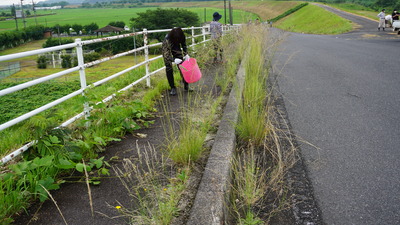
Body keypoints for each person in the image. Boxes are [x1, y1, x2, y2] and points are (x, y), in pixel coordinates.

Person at [162, 27, 190, 96]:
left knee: (183, 66)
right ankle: (172, 87)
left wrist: (186, 54)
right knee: (169, 67)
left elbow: (183, 45)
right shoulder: (167, 39)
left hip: (176, 48)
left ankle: (186, 85)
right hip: (168, 48)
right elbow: (166, 54)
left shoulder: (181, 35)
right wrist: (173, 59)